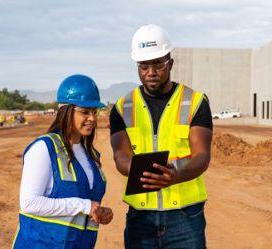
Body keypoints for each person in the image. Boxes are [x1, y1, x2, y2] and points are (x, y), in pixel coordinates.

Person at [110, 24, 213, 248]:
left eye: (158, 64)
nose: (151, 72)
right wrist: (143, 171)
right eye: (144, 66)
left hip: (186, 218)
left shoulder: (195, 102)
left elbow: (202, 155)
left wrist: (174, 174)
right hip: (141, 219)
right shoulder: (122, 107)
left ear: (170, 63)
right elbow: (120, 156)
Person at [13, 74, 113, 249]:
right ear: (65, 111)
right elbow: (29, 203)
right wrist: (85, 206)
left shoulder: (90, 155)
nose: (93, 118)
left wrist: (101, 212)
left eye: (94, 112)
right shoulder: (44, 148)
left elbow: (86, 204)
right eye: (85, 112)